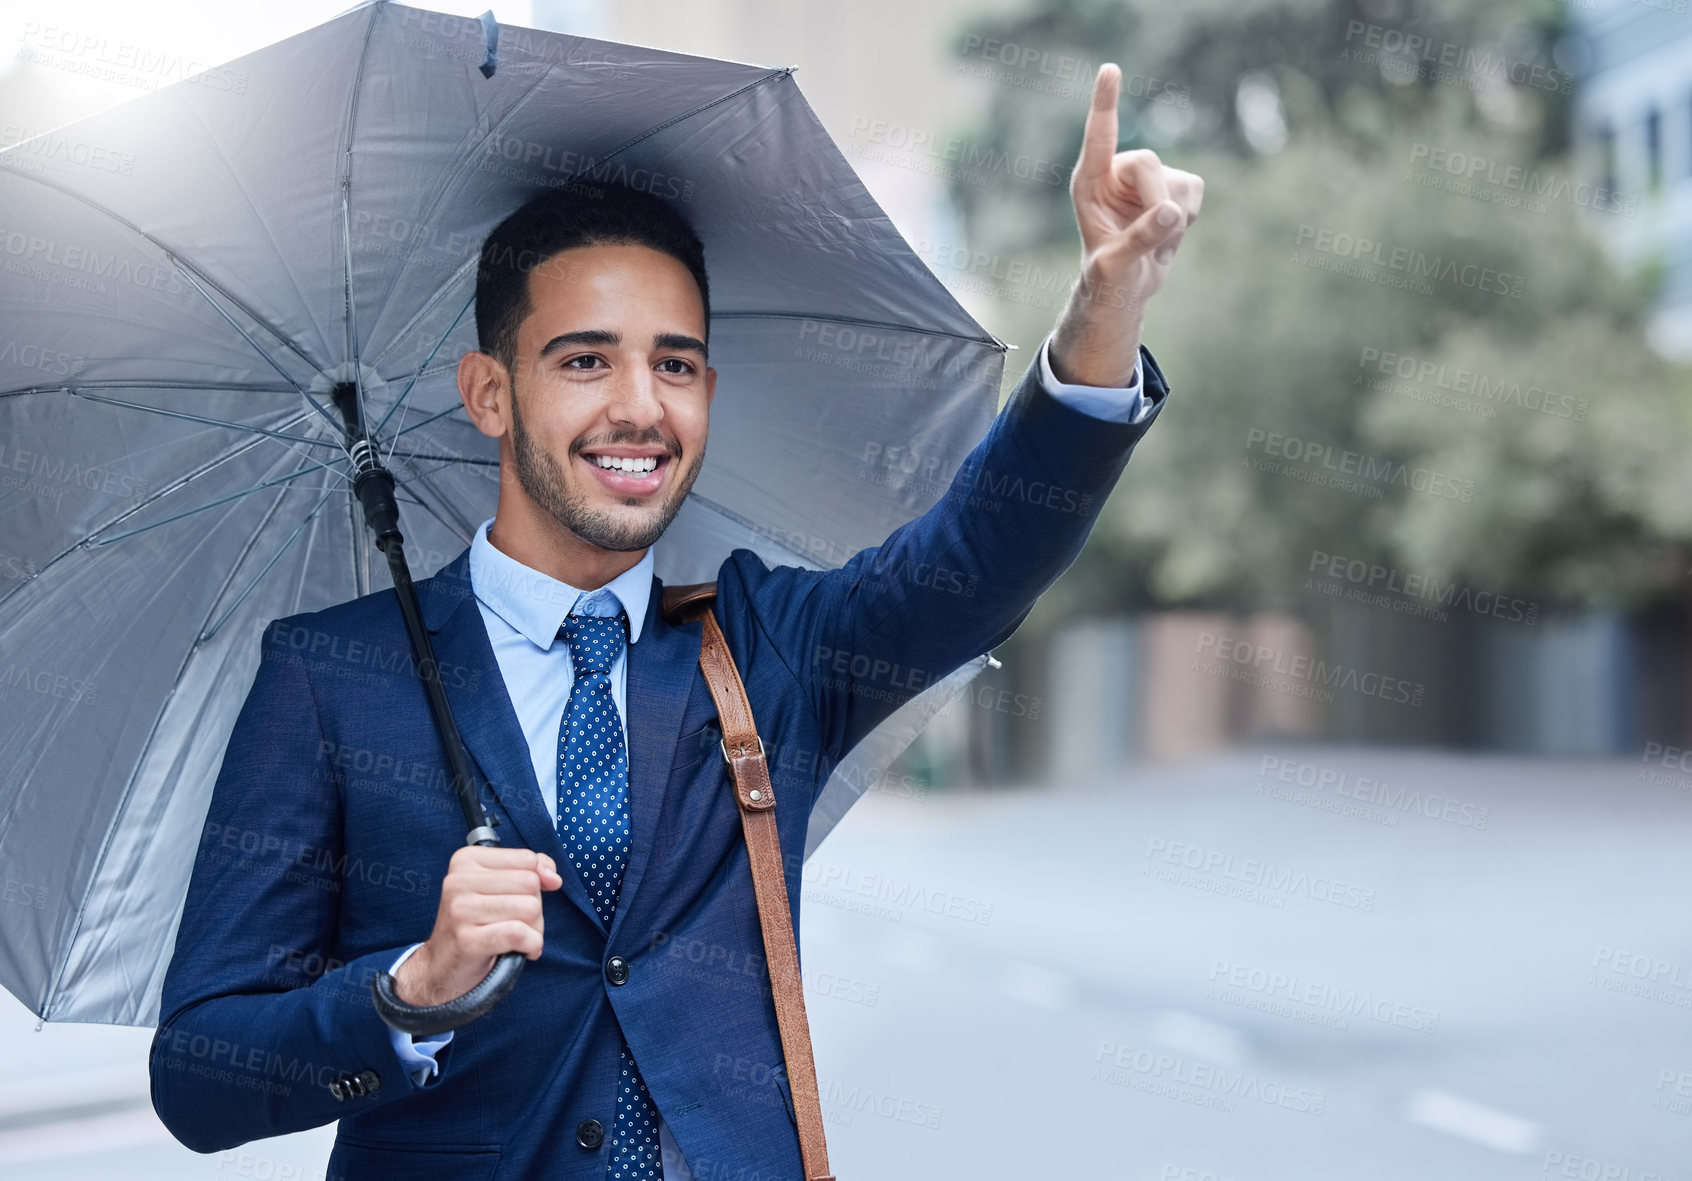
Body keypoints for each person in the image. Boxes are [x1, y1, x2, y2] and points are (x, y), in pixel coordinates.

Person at [149, 63, 1202, 1178]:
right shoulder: (331, 677)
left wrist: (1104, 310)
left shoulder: (769, 647)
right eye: (586, 359)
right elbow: (199, 1074)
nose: (641, 406)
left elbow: (977, 560)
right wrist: (407, 990)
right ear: (490, 392)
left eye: (677, 364)